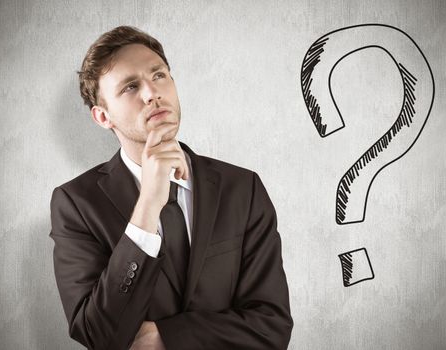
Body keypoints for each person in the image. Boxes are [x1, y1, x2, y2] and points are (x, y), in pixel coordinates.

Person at [49, 25, 293, 350]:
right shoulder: (76, 204)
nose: (152, 93)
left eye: (159, 75)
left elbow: (271, 327)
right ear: (102, 117)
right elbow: (99, 335)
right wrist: (148, 205)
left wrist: (165, 336)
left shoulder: (242, 188)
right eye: (130, 87)